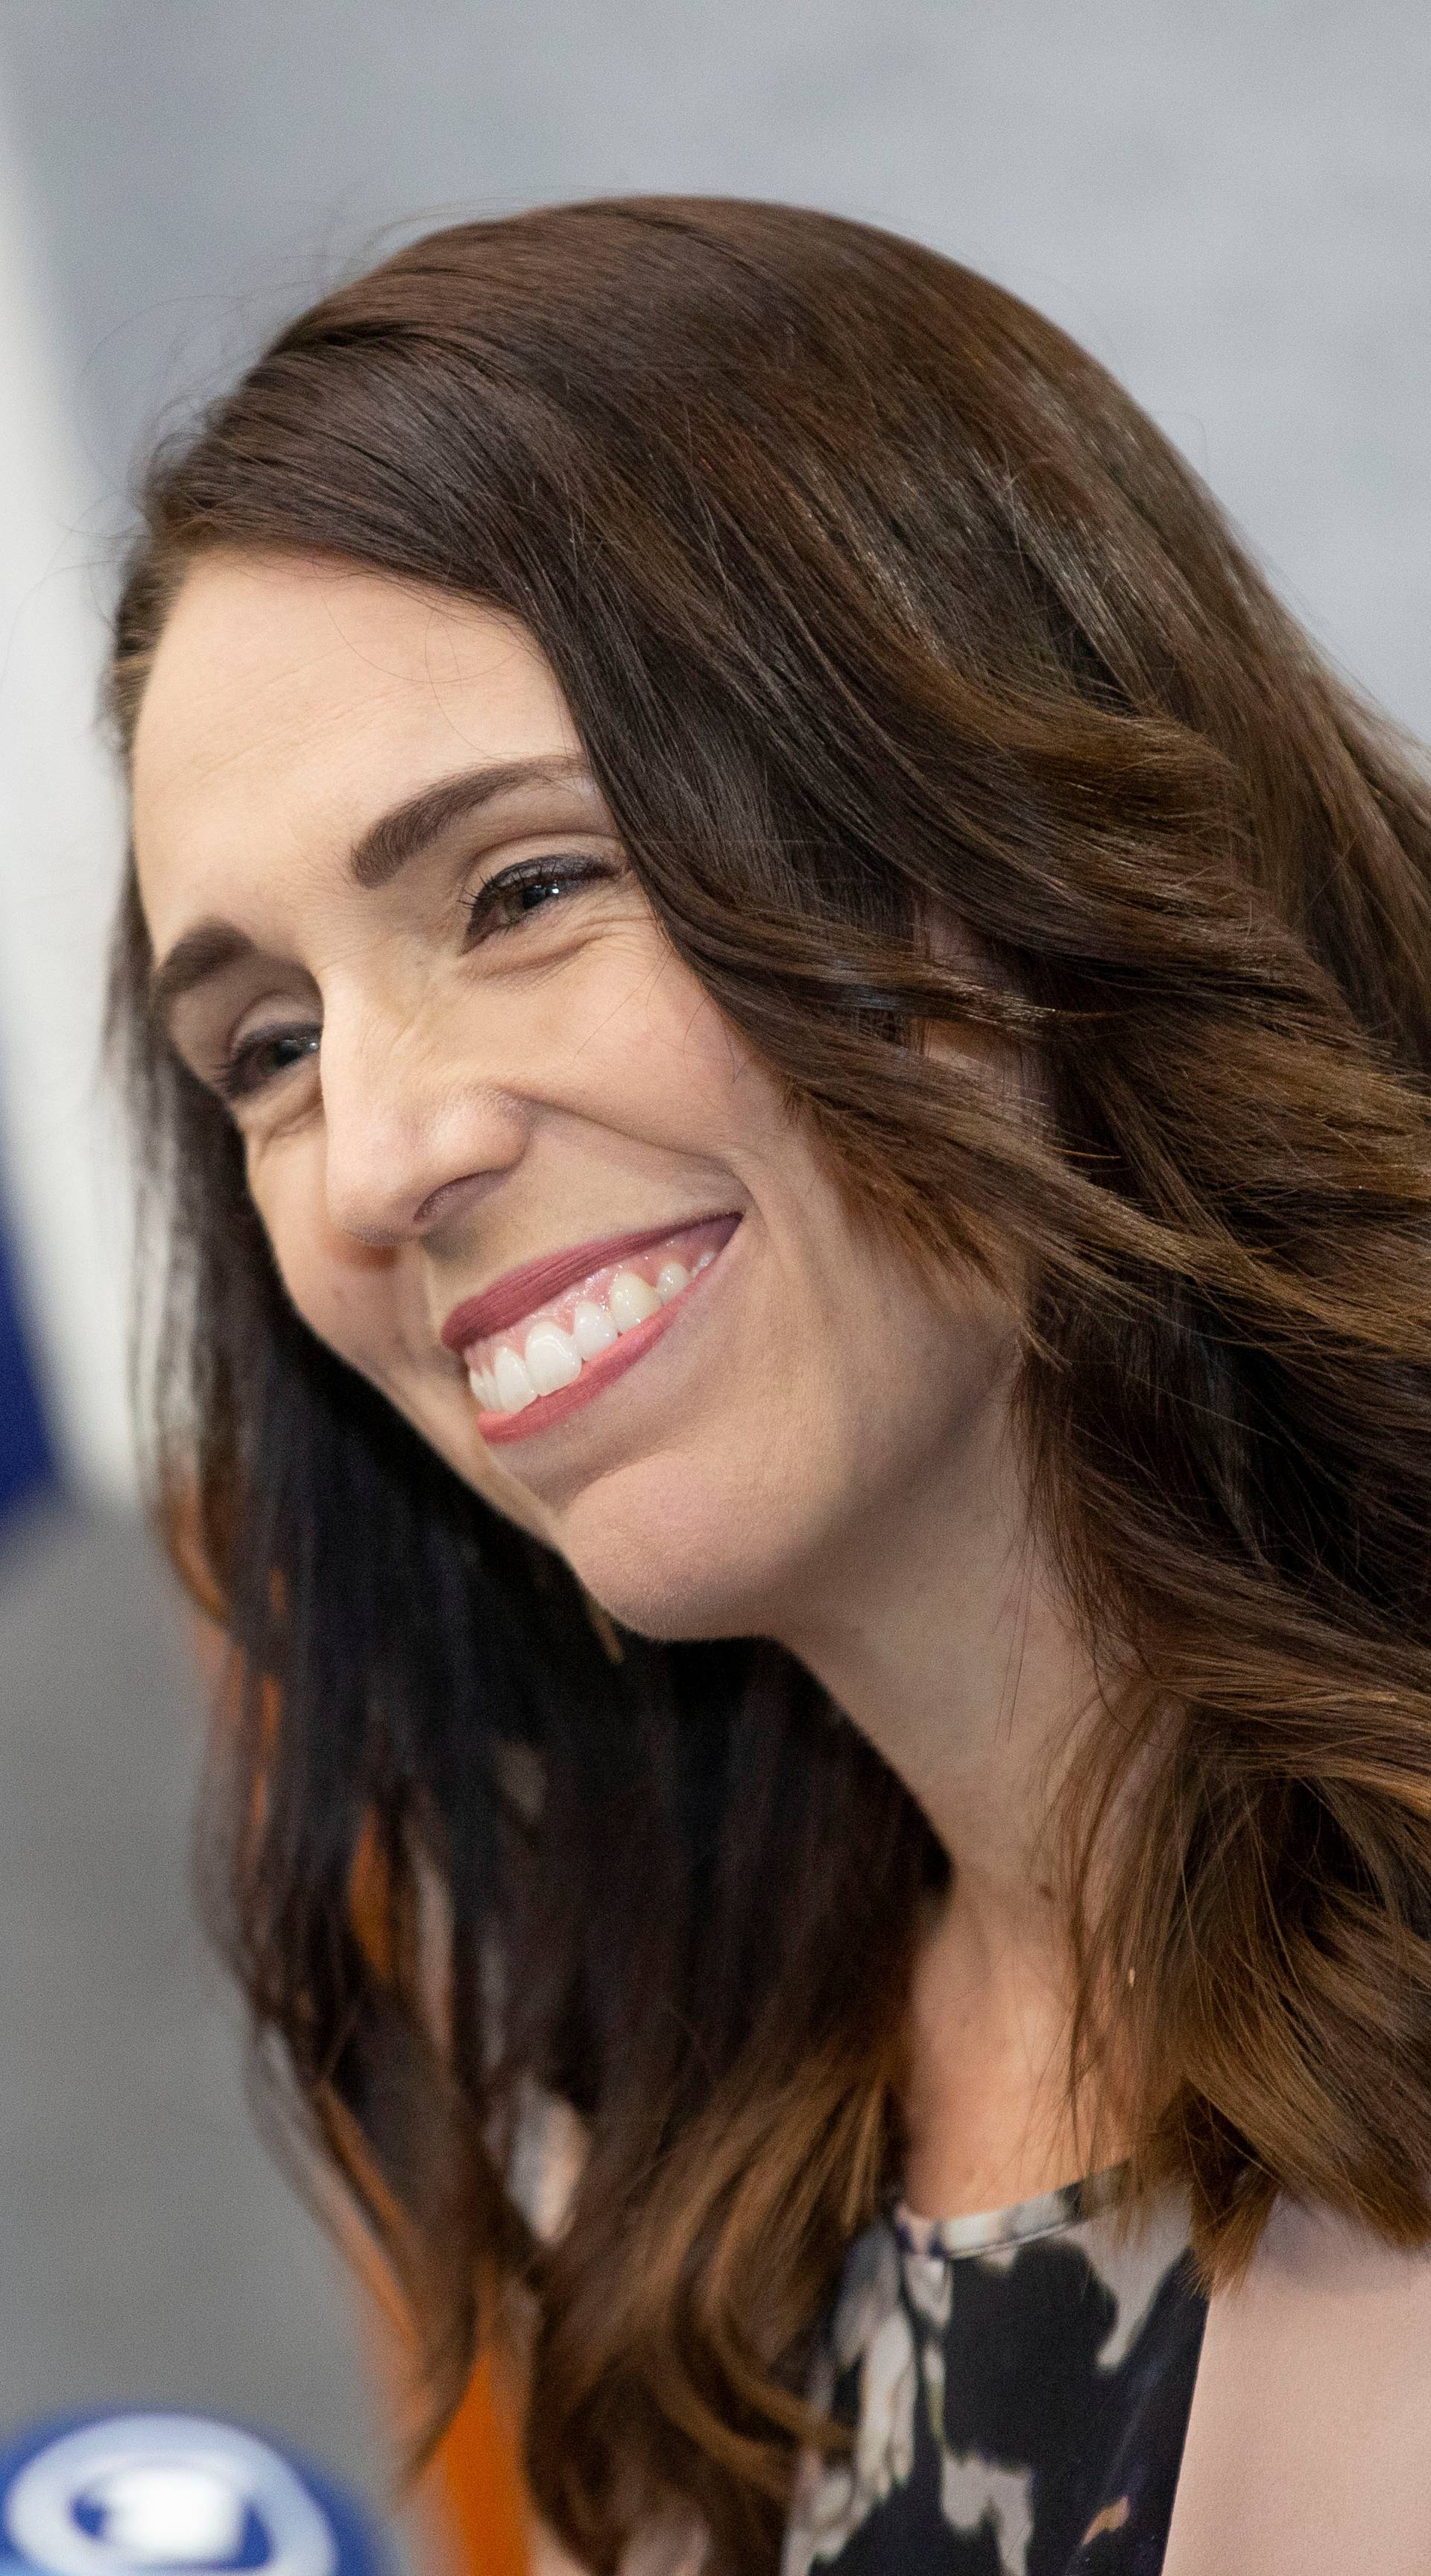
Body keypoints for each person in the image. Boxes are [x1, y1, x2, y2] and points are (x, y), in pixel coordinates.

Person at [109, 197, 1431, 2575]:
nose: (383, 1154)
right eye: (270, 1047)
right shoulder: (696, 2152)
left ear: (1010, 814)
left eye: (524, 891)